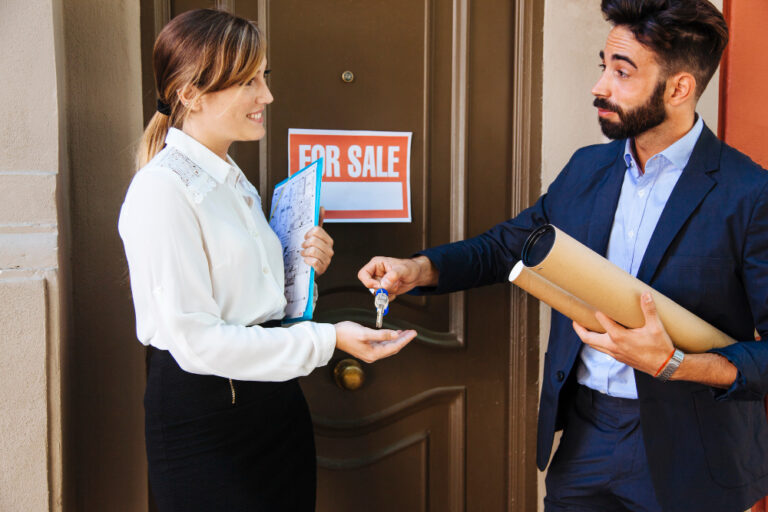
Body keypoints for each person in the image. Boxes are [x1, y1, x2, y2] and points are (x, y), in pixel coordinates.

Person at [358, 1, 768, 511]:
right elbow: (507, 246)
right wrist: (416, 269)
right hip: (586, 436)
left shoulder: (750, 193)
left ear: (679, 88)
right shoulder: (586, 168)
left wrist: (676, 365)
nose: (600, 86)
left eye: (622, 72)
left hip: (696, 452)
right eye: (603, 66)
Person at [118, 9, 416, 512]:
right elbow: (197, 342)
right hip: (209, 419)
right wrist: (330, 339)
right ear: (190, 94)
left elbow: (255, 302)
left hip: (274, 402)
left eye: (264, 77)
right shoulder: (162, 191)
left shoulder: (233, 180)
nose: (268, 96)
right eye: (248, 82)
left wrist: (301, 267)